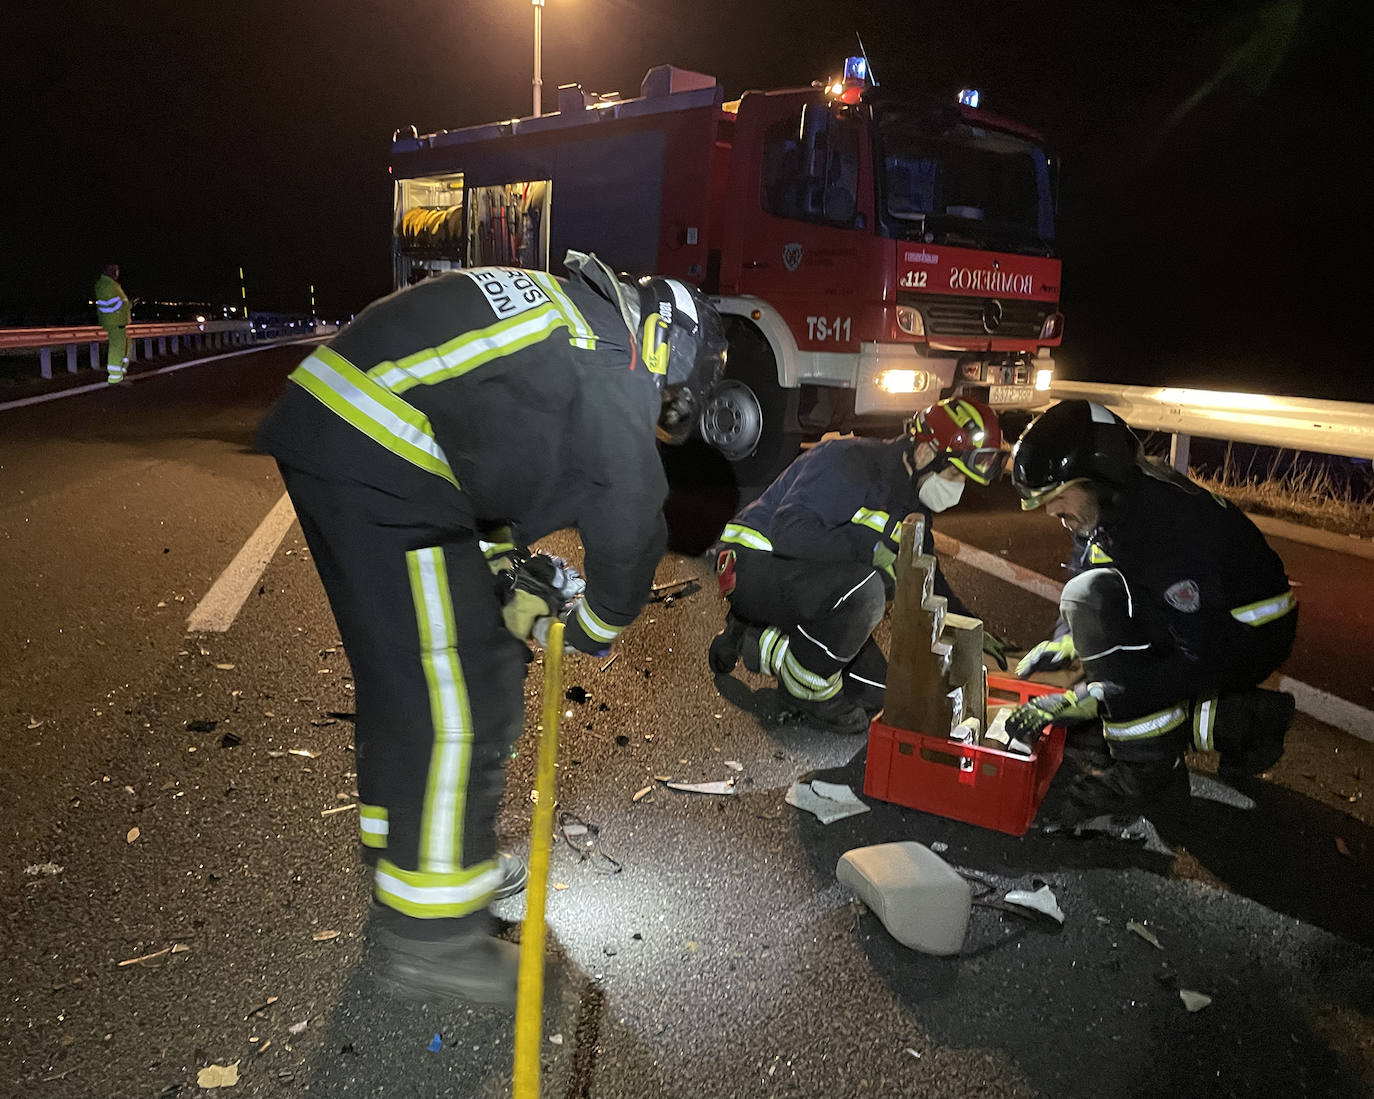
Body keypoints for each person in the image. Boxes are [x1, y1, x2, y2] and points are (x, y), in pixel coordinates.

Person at [256, 252, 726, 1007]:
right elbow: (634, 514)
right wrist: (593, 628)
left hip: (350, 424)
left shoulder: (575, 322)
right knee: (460, 683)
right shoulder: (613, 361)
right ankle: (433, 936)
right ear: (667, 344)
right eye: (668, 396)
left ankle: (419, 858)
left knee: (402, 675)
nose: (659, 407)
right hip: (383, 445)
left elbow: (484, 452)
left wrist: (507, 569)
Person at [1005, 399, 1298, 830]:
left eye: (1057, 497)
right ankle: (1249, 721)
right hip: (1217, 623)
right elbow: (1105, 584)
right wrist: (1067, 647)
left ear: (1099, 479)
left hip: (1246, 632)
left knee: (1116, 687)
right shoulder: (1118, 507)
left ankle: (1145, 776)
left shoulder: (1162, 531)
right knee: (1096, 644)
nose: (1052, 512)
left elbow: (1197, 656)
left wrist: (1091, 697)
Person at [708, 398, 1010, 735]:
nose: (956, 488)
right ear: (926, 452)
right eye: (954, 474)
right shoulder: (850, 462)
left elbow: (927, 576)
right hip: (750, 562)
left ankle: (753, 636)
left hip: (801, 580)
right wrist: (869, 551)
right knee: (868, 589)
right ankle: (804, 690)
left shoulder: (913, 502)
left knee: (880, 694)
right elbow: (789, 531)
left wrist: (970, 625)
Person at [93, 262, 132, 384]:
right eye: (116, 271)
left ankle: (121, 372)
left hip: (118, 321)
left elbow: (117, 303)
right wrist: (124, 305)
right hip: (115, 322)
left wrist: (127, 304)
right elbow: (111, 304)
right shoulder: (106, 285)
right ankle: (115, 378)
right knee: (117, 349)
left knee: (125, 346)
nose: (118, 273)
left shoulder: (111, 284)